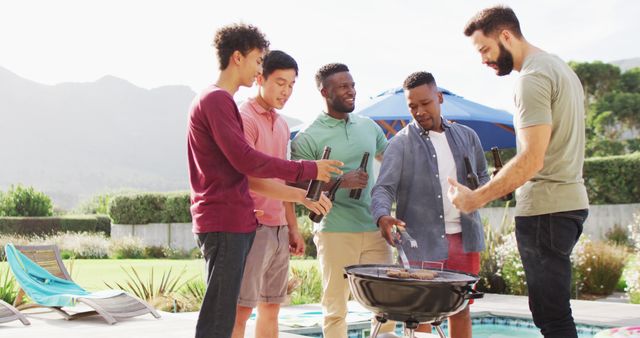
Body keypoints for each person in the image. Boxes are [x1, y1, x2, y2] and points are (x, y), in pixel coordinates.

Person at [187, 24, 342, 338]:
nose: (259, 68)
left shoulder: (220, 100)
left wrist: (293, 221)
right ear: (238, 58)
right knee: (221, 319)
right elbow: (246, 161)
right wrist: (308, 170)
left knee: (223, 313)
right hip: (224, 219)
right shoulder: (218, 100)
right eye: (258, 61)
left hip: (234, 221)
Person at [451, 6, 589, 338]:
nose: (483, 59)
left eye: (484, 49)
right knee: (554, 312)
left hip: (546, 209)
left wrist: (475, 199)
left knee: (551, 316)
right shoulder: (560, 69)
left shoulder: (532, 78)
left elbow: (531, 159)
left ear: (506, 36)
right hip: (567, 205)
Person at [371, 71, 488, 338]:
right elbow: (383, 189)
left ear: (439, 98)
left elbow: (482, 176)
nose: (419, 111)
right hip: (421, 242)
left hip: (466, 238)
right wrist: (382, 216)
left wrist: (477, 192)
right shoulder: (400, 144)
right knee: (418, 313)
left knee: (461, 309)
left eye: (426, 103)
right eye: (413, 106)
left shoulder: (467, 136)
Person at [231, 50, 333, 338]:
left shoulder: (283, 124)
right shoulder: (244, 117)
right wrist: (303, 198)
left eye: (291, 85)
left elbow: (282, 177)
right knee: (241, 310)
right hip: (252, 226)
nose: (286, 91)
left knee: (271, 308)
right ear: (260, 78)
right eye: (280, 82)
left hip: (276, 228)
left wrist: (292, 227)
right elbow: (249, 178)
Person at [290, 63, 394, 338]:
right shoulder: (308, 137)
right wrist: (339, 181)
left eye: (352, 85)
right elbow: (298, 186)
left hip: (374, 227)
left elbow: (392, 163)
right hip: (335, 229)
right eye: (343, 87)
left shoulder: (369, 127)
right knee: (336, 307)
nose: (351, 91)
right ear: (325, 92)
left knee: (386, 303)